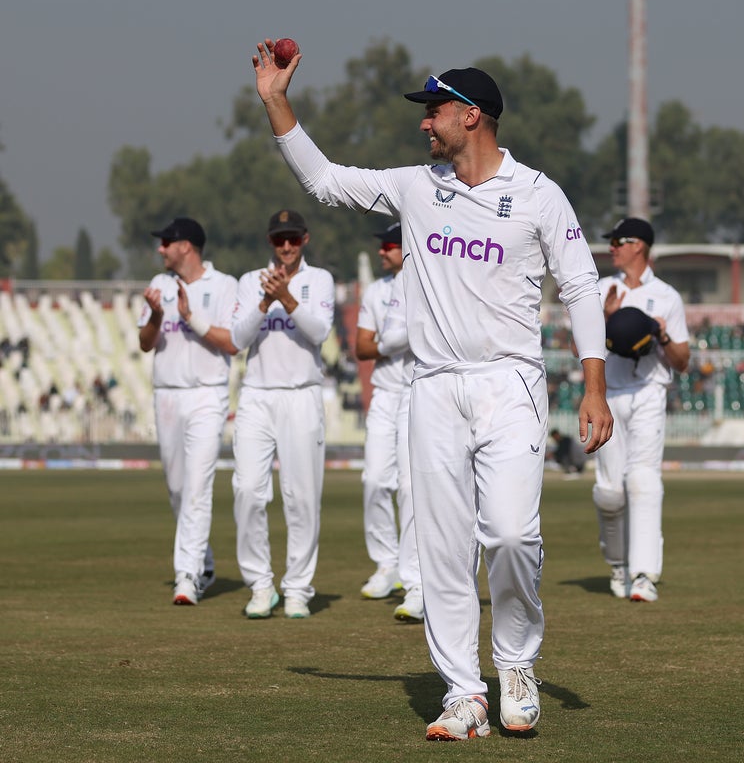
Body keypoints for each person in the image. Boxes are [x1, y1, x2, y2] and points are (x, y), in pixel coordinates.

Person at [253, 46, 613, 741]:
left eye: (435, 111)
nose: (425, 124)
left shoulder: (539, 194)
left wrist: (594, 387)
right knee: (444, 550)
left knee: (511, 534)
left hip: (510, 382)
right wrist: (275, 100)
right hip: (434, 386)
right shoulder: (417, 187)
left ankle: (516, 664)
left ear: (471, 116)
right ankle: (464, 692)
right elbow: (325, 182)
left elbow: (579, 285)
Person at [229, 209, 335, 619]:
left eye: (292, 238)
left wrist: (286, 299)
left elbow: (319, 332)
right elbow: (238, 338)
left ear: (304, 239)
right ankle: (260, 585)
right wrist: (265, 300)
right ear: (270, 242)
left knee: (302, 497)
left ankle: (298, 589)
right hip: (257, 394)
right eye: (279, 239)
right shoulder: (249, 281)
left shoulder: (319, 279)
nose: (286, 246)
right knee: (248, 490)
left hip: (301, 394)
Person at [136, 218, 238, 606]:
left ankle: (188, 575)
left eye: (166, 242)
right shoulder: (159, 285)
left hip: (207, 394)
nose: (160, 248)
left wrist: (191, 317)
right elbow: (146, 343)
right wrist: (157, 315)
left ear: (186, 246)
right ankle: (204, 563)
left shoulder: (224, 285)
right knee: (178, 489)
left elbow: (232, 342)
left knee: (197, 486)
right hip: (167, 394)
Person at [592, 217, 691, 603]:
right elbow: (578, 347)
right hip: (608, 393)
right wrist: (604, 318)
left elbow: (682, 361)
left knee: (643, 479)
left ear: (639, 246)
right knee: (609, 492)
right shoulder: (601, 289)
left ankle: (644, 574)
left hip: (650, 390)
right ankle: (618, 563)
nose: (612, 247)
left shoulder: (667, 296)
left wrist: (662, 334)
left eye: (619, 241)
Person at [354, 223, 424, 622]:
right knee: (375, 480)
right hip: (385, 392)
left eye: (390, 245)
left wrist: (385, 342)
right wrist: (394, 341)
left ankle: (415, 582)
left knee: (411, 487)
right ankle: (387, 564)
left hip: (417, 390)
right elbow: (362, 347)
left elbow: (414, 334)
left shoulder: (425, 276)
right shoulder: (377, 291)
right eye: (380, 246)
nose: (383, 251)